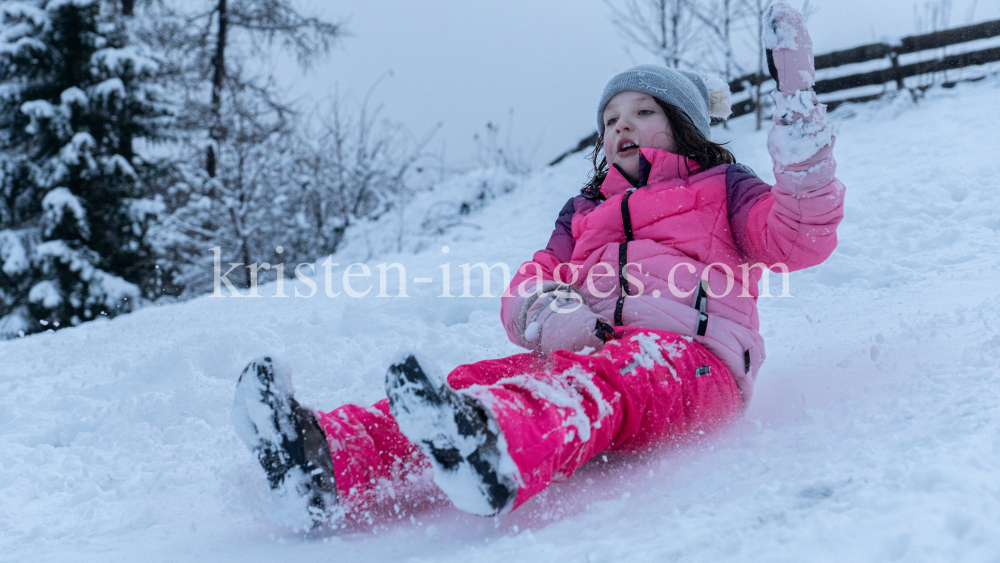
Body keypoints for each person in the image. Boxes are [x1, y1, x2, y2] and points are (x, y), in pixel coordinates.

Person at [231, 3, 845, 528]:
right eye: (610, 120)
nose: (622, 125)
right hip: (589, 348)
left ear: (684, 126)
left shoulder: (723, 188)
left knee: (618, 372)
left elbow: (799, 236)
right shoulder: (583, 212)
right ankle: (322, 460)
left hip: (693, 364)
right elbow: (532, 283)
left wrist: (800, 138)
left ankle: (495, 443)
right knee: (479, 378)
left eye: (643, 111)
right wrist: (553, 316)